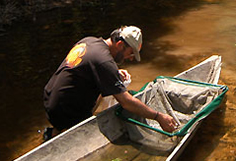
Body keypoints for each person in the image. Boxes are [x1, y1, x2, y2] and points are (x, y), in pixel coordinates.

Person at [42, 26, 178, 139]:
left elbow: (86, 67)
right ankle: (65, 129)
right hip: (64, 110)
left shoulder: (89, 41)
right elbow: (126, 102)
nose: (130, 58)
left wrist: (114, 73)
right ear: (120, 44)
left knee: (104, 90)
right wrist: (158, 116)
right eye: (130, 53)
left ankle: (53, 133)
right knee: (117, 100)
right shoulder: (104, 62)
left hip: (50, 99)